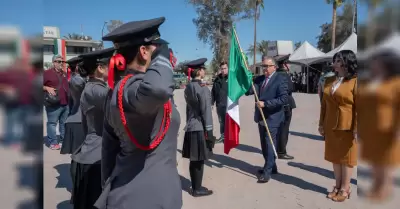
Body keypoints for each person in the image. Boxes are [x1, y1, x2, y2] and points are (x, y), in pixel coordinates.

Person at [94, 17, 182, 209]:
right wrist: (162, 58)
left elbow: (109, 150)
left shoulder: (117, 92)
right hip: (143, 198)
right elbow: (158, 88)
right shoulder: (130, 89)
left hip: (138, 192)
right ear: (144, 52)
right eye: (156, 49)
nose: (161, 53)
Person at [70, 47, 113, 209]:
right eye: (110, 65)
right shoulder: (97, 90)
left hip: (91, 153)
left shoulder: (91, 88)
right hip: (97, 157)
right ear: (101, 68)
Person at [357, 50, 400, 202]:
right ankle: (376, 186)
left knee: (386, 161)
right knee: (374, 161)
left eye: (377, 62)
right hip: (369, 128)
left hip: (387, 128)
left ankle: (385, 189)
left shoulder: (395, 83)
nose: (373, 65)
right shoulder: (370, 81)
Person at [318, 50, 358, 202]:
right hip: (330, 124)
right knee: (335, 157)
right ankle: (337, 185)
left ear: (346, 63)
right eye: (335, 60)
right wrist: (321, 124)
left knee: (346, 159)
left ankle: (345, 188)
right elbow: (324, 105)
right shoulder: (329, 81)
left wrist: (357, 128)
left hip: (348, 125)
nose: (334, 63)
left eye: (338, 60)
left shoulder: (355, 81)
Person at [246, 56, 288, 183]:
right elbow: (248, 92)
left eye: (266, 66)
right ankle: (271, 165)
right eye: (263, 66)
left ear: (274, 67)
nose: (264, 69)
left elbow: (283, 99)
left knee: (269, 145)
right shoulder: (259, 80)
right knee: (264, 145)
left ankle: (267, 172)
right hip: (261, 117)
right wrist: (246, 79)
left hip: (273, 117)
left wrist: (266, 104)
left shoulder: (280, 79)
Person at [182, 58, 216, 197]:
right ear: (200, 71)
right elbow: (206, 111)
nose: (204, 71)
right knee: (199, 160)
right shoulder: (203, 89)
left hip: (190, 125)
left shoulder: (189, 86)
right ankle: (197, 189)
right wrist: (210, 131)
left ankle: (196, 186)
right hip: (200, 127)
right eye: (203, 69)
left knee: (193, 159)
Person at [60, 57, 86, 155]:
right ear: (77, 68)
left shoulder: (74, 79)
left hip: (75, 119)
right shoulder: (77, 81)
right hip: (78, 120)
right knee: (79, 153)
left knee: (78, 153)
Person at [43, 54, 69, 150]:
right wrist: (46, 87)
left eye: (62, 61)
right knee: (52, 123)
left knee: (64, 123)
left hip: (65, 103)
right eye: (58, 61)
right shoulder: (47, 73)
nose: (61, 63)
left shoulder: (64, 73)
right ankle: (53, 143)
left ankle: (63, 141)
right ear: (54, 63)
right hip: (53, 103)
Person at [276, 62, 296, 160]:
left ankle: (277, 149)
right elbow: (291, 88)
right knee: (284, 129)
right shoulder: (285, 75)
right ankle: (281, 151)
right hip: (286, 104)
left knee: (278, 128)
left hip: (277, 104)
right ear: (285, 65)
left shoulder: (275, 74)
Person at [211, 61, 228, 143]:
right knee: (221, 121)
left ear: (228, 68)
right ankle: (223, 136)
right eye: (222, 69)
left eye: (225, 68)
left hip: (229, 104)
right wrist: (211, 102)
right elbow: (213, 92)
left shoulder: (231, 78)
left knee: (229, 122)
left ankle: (229, 138)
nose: (223, 70)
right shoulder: (217, 79)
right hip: (219, 105)